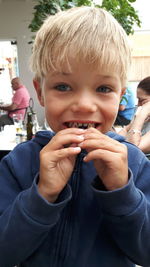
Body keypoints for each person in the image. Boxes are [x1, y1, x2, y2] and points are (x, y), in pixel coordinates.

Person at [0, 6, 150, 267]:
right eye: (63, 86)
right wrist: (42, 194)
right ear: (40, 91)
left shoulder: (135, 165)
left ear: (120, 95)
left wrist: (121, 191)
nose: (84, 105)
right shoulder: (18, 163)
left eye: (103, 88)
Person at [119, 76, 150, 154]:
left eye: (142, 100)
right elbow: (125, 130)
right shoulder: (140, 110)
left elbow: (133, 149)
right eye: (138, 100)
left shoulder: (142, 112)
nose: (138, 105)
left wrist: (141, 115)